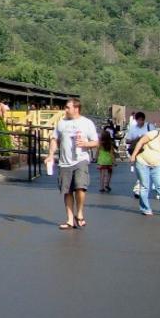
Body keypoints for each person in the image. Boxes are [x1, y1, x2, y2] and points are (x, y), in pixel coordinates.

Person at [45, 98, 98, 229]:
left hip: (81, 159)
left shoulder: (87, 123)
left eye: (68, 107)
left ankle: (79, 213)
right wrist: (51, 155)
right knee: (67, 191)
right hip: (64, 162)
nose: (65, 110)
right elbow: (54, 139)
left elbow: (96, 142)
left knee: (80, 187)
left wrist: (85, 144)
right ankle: (70, 219)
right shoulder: (61, 123)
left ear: (76, 108)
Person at [130, 126, 160, 216]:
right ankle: (145, 209)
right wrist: (133, 156)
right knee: (145, 186)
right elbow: (140, 142)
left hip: (157, 165)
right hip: (142, 162)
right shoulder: (155, 134)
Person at [123, 112, 153, 196]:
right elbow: (127, 140)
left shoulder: (149, 127)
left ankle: (141, 188)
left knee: (147, 170)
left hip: (148, 151)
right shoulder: (133, 128)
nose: (140, 122)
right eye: (139, 120)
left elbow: (155, 137)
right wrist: (137, 139)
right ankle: (138, 188)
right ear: (136, 120)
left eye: (142, 120)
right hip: (137, 152)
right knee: (140, 170)